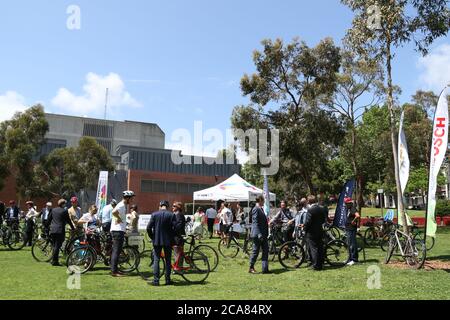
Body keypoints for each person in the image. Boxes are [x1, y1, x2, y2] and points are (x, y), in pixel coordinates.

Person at [147, 200, 176, 286]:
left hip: (157, 240)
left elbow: (148, 228)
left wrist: (152, 237)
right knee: (168, 261)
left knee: (156, 260)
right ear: (167, 206)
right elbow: (175, 228)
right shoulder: (171, 215)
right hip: (168, 240)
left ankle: (156, 281)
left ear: (160, 206)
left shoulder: (154, 214)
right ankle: (167, 280)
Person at [110, 191, 135, 277]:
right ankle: (114, 271)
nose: (132, 200)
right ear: (127, 198)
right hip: (117, 231)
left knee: (117, 251)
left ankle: (115, 269)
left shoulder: (123, 205)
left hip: (118, 230)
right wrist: (119, 218)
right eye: (131, 198)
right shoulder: (121, 205)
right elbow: (113, 212)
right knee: (116, 251)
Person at [303, 195, 328, 271]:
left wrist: (304, 228)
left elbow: (308, 222)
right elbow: (324, 220)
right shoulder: (321, 209)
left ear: (309, 201)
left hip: (311, 232)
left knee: (313, 249)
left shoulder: (310, 210)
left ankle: (316, 265)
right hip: (320, 231)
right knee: (320, 248)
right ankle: (320, 264)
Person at [48, 199, 75, 266]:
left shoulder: (53, 210)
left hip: (53, 230)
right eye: (65, 204)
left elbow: (49, 219)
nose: (65, 205)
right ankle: (54, 261)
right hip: (60, 230)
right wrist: (73, 228)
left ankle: (54, 260)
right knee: (57, 246)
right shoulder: (64, 211)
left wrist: (46, 227)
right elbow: (68, 220)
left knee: (55, 245)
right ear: (63, 204)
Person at [249, 195, 270, 274]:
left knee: (265, 250)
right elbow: (255, 222)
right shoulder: (256, 209)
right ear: (260, 200)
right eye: (263, 200)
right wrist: (259, 234)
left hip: (263, 234)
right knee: (255, 251)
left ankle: (265, 268)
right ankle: (251, 267)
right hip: (258, 234)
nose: (264, 202)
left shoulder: (260, 209)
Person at [344, 197, 360, 266]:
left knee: (352, 244)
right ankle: (349, 259)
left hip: (351, 229)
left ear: (349, 203)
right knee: (349, 244)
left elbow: (358, 216)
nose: (345, 205)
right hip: (348, 229)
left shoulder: (353, 208)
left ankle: (354, 259)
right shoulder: (349, 209)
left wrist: (353, 222)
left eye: (346, 203)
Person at [172, 202, 186, 271]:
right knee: (178, 252)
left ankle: (178, 268)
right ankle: (178, 267)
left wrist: (172, 229)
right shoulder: (176, 214)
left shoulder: (179, 215)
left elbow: (179, 226)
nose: (172, 207)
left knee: (177, 252)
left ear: (178, 207)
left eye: (174, 206)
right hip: (177, 236)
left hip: (178, 236)